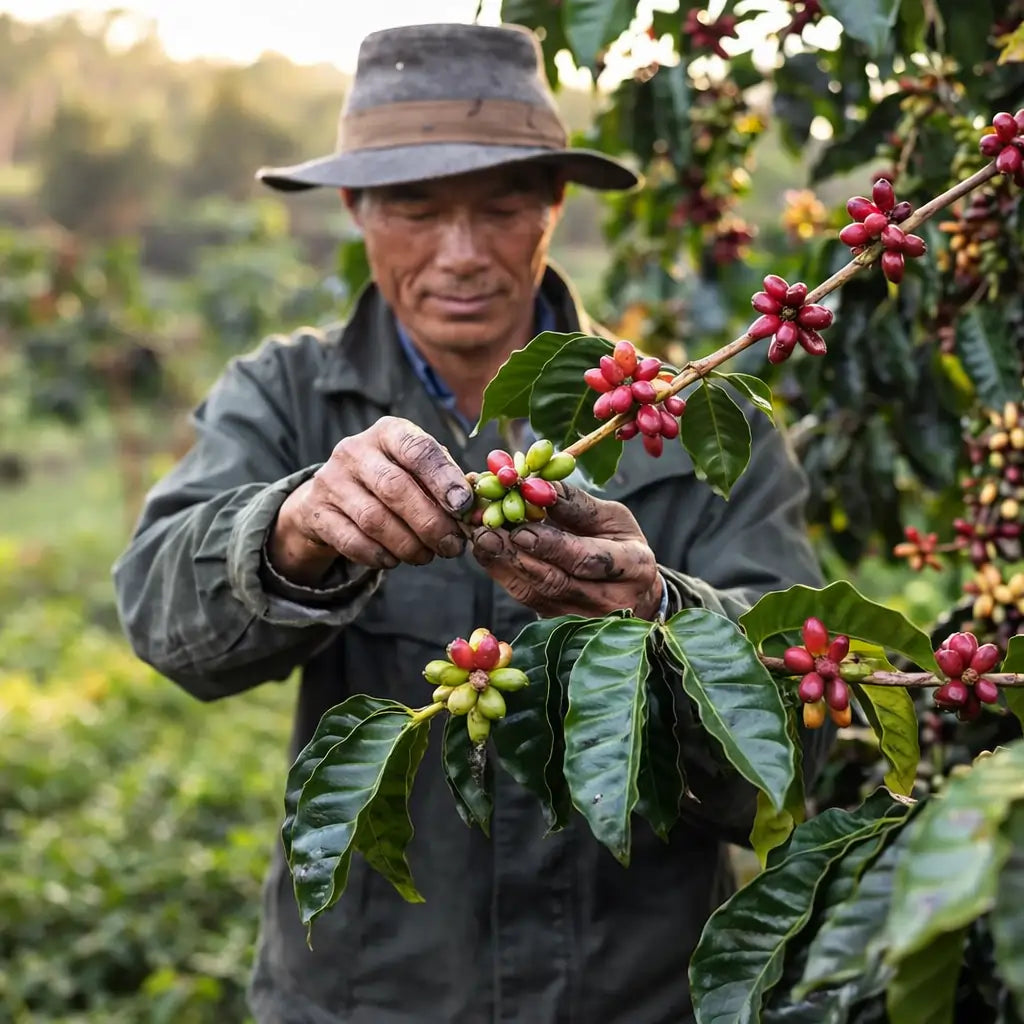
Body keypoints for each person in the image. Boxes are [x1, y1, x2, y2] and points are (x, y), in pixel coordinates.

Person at [112, 21, 830, 1024]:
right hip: (374, 1002)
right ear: (357, 208)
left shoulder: (693, 427)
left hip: (636, 999)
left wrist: (664, 618)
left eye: (500, 208)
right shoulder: (286, 396)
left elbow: (790, 748)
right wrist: (292, 529)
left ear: (553, 204)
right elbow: (161, 617)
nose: (460, 256)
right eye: (415, 209)